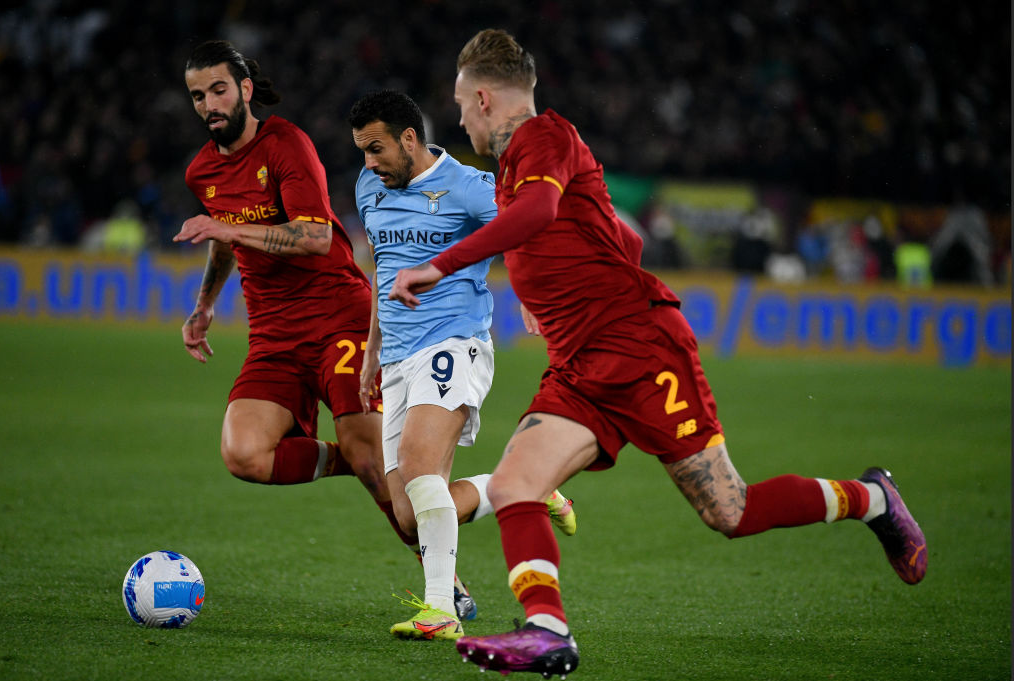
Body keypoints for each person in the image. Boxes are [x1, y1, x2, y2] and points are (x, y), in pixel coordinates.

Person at [388, 29, 928, 677]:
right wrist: (546, 289)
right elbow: (625, 241)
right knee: (513, 485)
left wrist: (440, 265)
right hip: (582, 366)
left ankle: (872, 498)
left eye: (459, 104)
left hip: (642, 352)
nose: (457, 119)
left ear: (482, 98)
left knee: (731, 511)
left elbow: (538, 213)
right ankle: (546, 631)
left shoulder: (543, 136)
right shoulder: (517, 165)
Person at [173, 40, 475, 618]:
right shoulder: (201, 171)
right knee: (244, 454)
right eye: (197, 95)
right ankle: (347, 458)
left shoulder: (286, 144)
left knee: (375, 464)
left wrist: (227, 229)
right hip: (273, 334)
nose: (209, 104)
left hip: (339, 316)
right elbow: (225, 238)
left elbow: (314, 236)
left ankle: (446, 584)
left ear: (245, 89)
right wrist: (204, 304)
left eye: (218, 89)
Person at [348, 89, 576, 641]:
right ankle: (525, 486)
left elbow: (527, 232)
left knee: (420, 465)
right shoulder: (369, 187)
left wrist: (533, 294)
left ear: (409, 139)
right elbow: (384, 268)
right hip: (397, 357)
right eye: (362, 152)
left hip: (454, 343)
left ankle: (440, 612)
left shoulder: (470, 186)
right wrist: (373, 348)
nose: (369, 164)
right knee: (410, 513)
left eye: (376, 149)